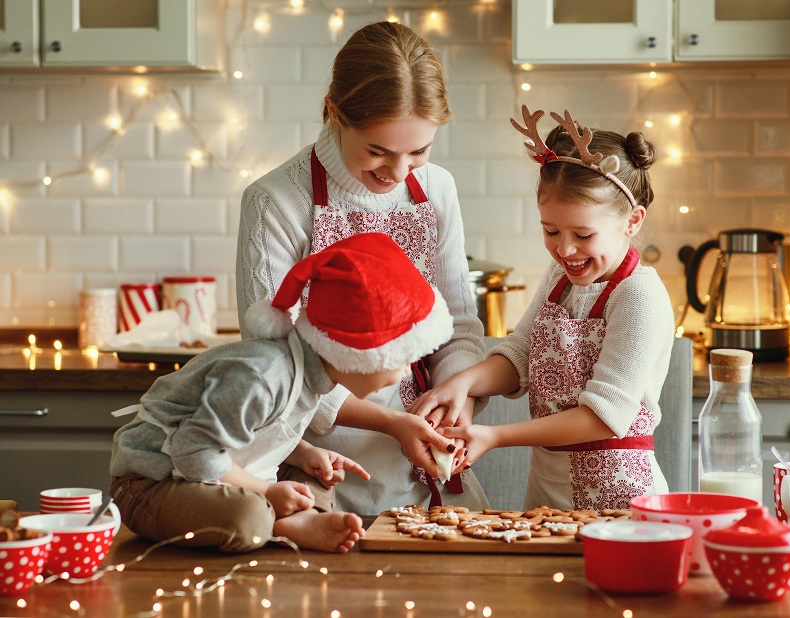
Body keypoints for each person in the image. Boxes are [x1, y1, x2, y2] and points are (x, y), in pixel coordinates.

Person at [236, 21, 488, 513]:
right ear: (334, 111)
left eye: (419, 152)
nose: (398, 173)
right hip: (321, 466)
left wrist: (458, 397)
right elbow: (275, 365)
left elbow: (458, 324)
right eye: (378, 151)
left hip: (429, 461)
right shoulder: (276, 201)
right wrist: (390, 422)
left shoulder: (436, 189)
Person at [110, 233, 456, 553]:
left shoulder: (315, 374)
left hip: (216, 472)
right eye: (402, 358)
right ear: (358, 355)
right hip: (154, 481)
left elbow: (257, 431)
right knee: (248, 518)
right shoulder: (263, 376)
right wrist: (266, 492)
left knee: (315, 482)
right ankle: (280, 523)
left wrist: (302, 453)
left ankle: (294, 519)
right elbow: (193, 453)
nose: (407, 370)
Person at [410, 105, 676, 511]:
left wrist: (495, 435)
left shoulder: (639, 297)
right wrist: (460, 384)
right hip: (548, 491)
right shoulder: (560, 278)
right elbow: (520, 355)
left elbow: (603, 417)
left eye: (583, 235)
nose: (565, 250)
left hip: (619, 498)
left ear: (633, 221)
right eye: (551, 231)